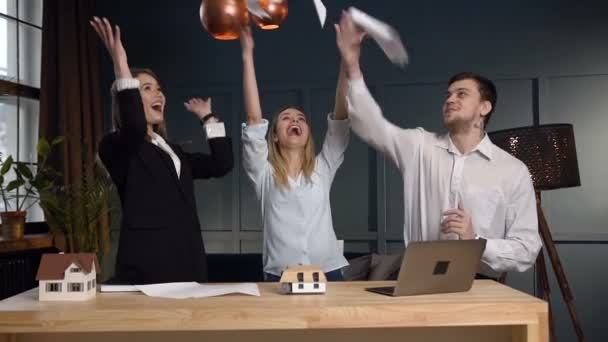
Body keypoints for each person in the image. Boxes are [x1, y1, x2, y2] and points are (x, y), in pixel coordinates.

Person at [334, 12, 541, 278]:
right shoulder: (419, 147)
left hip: (481, 287)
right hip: (418, 279)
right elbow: (371, 123)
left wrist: (475, 241)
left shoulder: (513, 170)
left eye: (462, 94)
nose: (450, 99)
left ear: (484, 107)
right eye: (448, 94)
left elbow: (526, 249)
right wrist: (351, 63)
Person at [91, 17, 233, 283]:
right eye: (147, 89)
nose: (159, 95)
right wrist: (121, 64)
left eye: (159, 89)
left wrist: (208, 119)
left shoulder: (173, 153)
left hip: (188, 265)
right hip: (147, 270)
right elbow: (133, 127)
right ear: (131, 97)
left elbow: (221, 164)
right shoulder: (115, 146)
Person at [239, 26, 350, 281]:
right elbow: (254, 118)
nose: (294, 121)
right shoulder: (263, 174)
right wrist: (247, 55)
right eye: (286, 118)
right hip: (280, 275)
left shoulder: (323, 168)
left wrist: (346, 61)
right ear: (275, 135)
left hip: (329, 272)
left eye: (300, 118)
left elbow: (341, 116)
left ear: (308, 132)